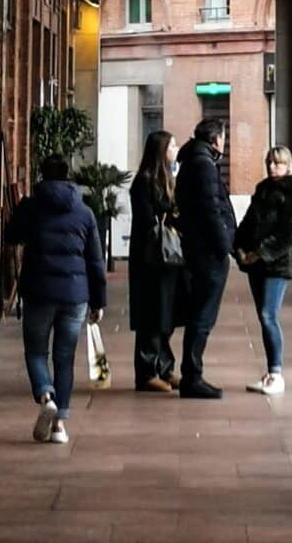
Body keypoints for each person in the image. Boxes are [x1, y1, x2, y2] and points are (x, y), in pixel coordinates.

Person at [3, 153, 107, 445]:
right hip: (76, 296)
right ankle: (60, 424)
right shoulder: (84, 212)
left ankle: (45, 394)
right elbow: (95, 262)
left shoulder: (31, 207)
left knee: (36, 352)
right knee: (65, 358)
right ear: (68, 175)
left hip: (38, 291)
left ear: (42, 175)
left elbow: (11, 236)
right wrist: (98, 302)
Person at [173, 113, 238, 399]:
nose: (224, 142)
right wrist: (224, 245)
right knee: (203, 316)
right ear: (215, 139)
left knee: (201, 314)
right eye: (223, 137)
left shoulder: (194, 161)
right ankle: (192, 376)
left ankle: (192, 373)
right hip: (207, 251)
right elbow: (211, 210)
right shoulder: (204, 165)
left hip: (199, 248)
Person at [234, 146, 292, 397]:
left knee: (268, 315)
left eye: (279, 163)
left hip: (277, 263)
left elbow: (287, 236)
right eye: (271, 163)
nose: (274, 167)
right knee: (264, 318)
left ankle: (276, 373)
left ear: (289, 166)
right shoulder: (262, 190)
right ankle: (270, 372)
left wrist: (259, 252)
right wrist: (240, 247)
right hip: (256, 264)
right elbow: (248, 222)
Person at [127, 129, 183, 393]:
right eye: (172, 146)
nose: (176, 149)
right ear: (161, 151)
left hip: (167, 259)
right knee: (152, 314)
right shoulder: (144, 182)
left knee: (166, 315)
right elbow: (148, 220)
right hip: (150, 259)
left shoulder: (168, 178)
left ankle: (165, 367)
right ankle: (147, 372)